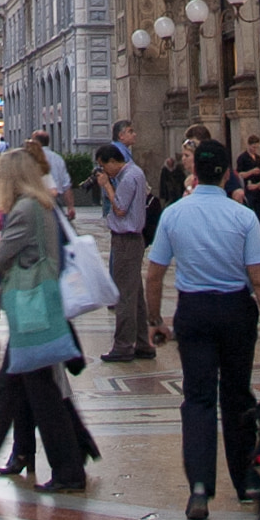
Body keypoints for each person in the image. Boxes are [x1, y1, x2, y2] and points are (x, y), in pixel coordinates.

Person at [148, 136, 260, 520]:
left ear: (195, 171)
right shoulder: (243, 217)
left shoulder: (175, 215)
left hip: (194, 312)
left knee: (198, 399)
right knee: (237, 396)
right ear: (228, 174)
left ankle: (199, 489)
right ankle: (247, 481)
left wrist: (156, 322)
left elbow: (154, 275)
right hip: (236, 311)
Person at [0, 152, 95, 490]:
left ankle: (69, 471)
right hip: (36, 302)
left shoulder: (24, 210)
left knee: (42, 393)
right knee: (12, 387)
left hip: (33, 307)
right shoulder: (41, 205)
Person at [98, 141, 156, 361]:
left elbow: (120, 208)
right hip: (131, 238)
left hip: (126, 239)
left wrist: (107, 186)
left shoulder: (129, 176)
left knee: (124, 294)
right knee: (135, 294)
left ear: (113, 161)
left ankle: (123, 345)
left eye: (104, 166)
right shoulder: (134, 172)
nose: (104, 171)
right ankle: (143, 342)